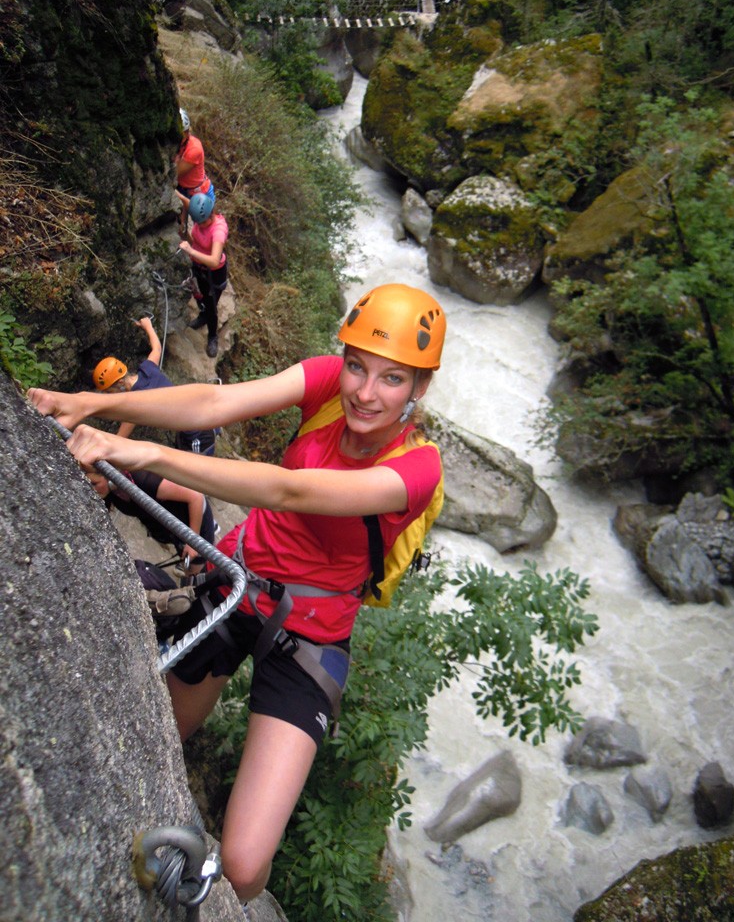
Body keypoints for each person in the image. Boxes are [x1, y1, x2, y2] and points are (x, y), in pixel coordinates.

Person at [29, 282, 446, 905]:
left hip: (309, 636)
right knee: (155, 736)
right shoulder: (329, 383)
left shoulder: (418, 468)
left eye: (392, 378)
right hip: (241, 582)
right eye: (358, 365)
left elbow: (291, 491)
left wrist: (139, 450)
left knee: (246, 866)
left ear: (421, 387)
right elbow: (210, 404)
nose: (363, 391)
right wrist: (85, 401)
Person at [92, 316, 218, 455]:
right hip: (197, 418)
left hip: (197, 434)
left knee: (195, 470)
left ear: (120, 383)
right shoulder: (147, 369)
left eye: (110, 391)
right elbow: (157, 348)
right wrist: (148, 326)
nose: (111, 395)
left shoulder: (136, 403)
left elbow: (119, 439)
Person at [88, 466, 218, 572]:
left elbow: (196, 497)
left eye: (95, 483)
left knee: (191, 569)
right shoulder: (110, 492)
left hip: (195, 521)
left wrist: (192, 541)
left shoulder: (143, 479)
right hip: (172, 525)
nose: (94, 489)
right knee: (184, 558)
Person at [179, 192, 228, 359]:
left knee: (211, 304)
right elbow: (185, 201)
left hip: (214, 273)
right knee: (199, 295)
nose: (200, 225)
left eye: (202, 222)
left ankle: (213, 336)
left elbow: (214, 260)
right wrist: (183, 223)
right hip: (199, 266)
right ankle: (202, 315)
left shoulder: (219, 229)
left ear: (210, 214)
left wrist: (190, 250)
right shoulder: (199, 217)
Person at [175, 107, 214, 238]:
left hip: (200, 195)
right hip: (185, 189)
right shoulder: (179, 145)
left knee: (207, 232)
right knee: (183, 228)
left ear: (186, 132)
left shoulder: (194, 149)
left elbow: (175, 173)